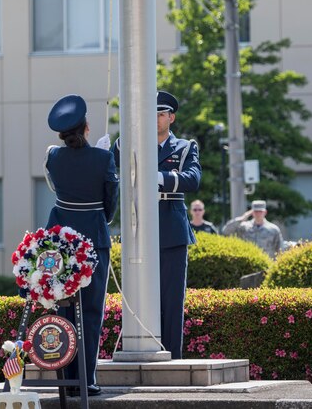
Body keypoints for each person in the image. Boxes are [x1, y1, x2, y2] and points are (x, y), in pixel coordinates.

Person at [102, 90, 201, 359]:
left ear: (171, 117)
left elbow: (192, 179)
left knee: (171, 300)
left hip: (171, 227)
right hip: (138, 228)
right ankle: (141, 351)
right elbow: (111, 165)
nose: (155, 119)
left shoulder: (184, 146)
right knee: (138, 297)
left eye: (160, 114)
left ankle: (172, 357)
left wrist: (158, 176)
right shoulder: (133, 144)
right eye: (151, 114)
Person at [44, 94, 119, 396]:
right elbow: (110, 204)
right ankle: (86, 380)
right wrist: (103, 162)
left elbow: (55, 183)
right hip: (93, 241)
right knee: (90, 313)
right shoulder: (103, 158)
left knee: (63, 310)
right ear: (87, 127)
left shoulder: (53, 156)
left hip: (60, 243)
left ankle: (67, 377)